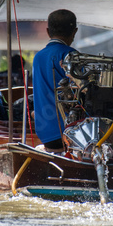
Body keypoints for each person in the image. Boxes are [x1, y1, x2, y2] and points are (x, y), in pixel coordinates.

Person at [33, 9, 78, 153]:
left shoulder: (38, 57)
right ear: (74, 32)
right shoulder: (71, 55)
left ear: (48, 31)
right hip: (70, 133)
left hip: (45, 134)